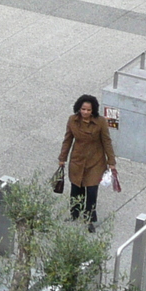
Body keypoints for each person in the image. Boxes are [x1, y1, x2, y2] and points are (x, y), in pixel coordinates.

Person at [57, 95, 115, 232]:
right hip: (78, 160)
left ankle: (89, 219)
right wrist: (62, 158)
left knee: (91, 191)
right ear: (79, 108)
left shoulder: (100, 122)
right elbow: (68, 140)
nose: (85, 112)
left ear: (93, 110)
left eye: (88, 110)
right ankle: (74, 214)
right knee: (76, 189)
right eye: (83, 109)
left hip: (95, 161)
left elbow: (107, 141)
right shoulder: (72, 120)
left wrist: (111, 161)